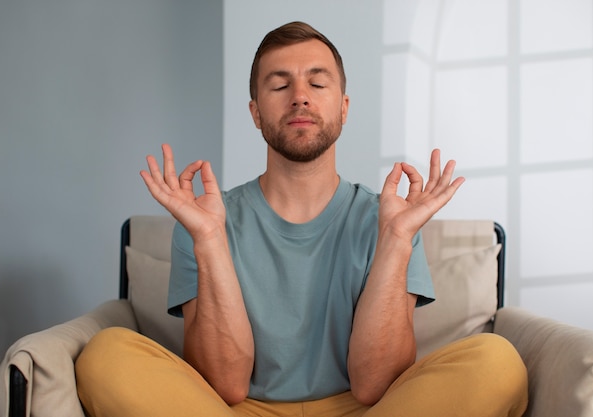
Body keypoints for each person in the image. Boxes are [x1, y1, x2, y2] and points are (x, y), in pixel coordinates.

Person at [75, 21, 528, 417]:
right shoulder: (202, 221)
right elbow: (226, 385)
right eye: (279, 85)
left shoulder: (390, 219)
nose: (299, 98)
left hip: (363, 409)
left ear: (344, 108)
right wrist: (210, 240)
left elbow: (374, 385)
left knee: (496, 363)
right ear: (255, 112)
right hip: (235, 411)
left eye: (317, 83)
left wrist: (396, 240)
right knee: (105, 356)